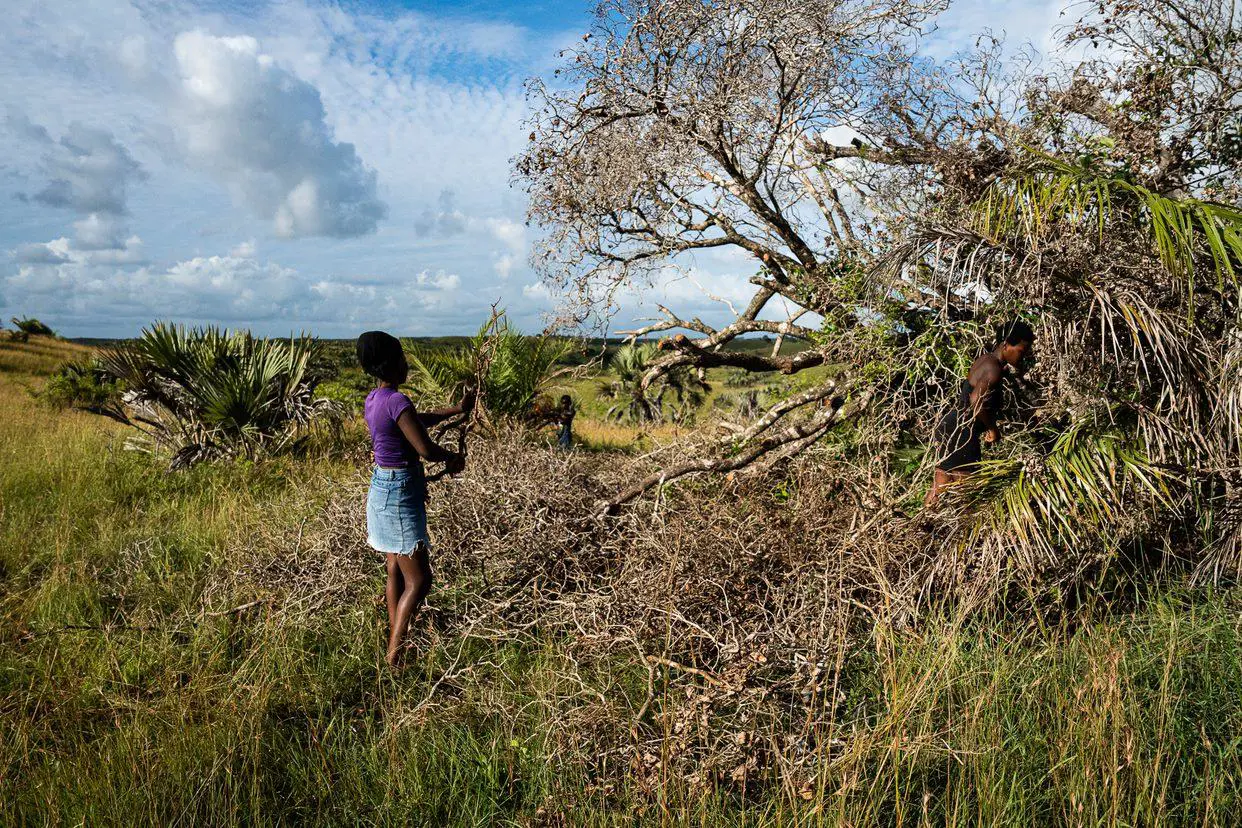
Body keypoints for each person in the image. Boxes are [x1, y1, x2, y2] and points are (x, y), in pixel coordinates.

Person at [356, 331, 472, 667]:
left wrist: (455, 410)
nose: (407, 363)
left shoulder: (375, 399)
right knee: (420, 580)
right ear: (392, 363)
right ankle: (395, 655)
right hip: (400, 492)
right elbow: (424, 447)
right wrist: (451, 457)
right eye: (403, 357)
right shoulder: (398, 401)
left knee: (394, 567)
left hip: (381, 487)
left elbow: (416, 421)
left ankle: (395, 642)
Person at [926, 319, 1035, 506]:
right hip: (962, 431)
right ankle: (961, 531)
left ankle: (925, 524)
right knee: (968, 493)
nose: (1022, 357)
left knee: (940, 485)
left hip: (951, 425)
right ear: (1006, 345)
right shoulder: (993, 369)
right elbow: (976, 401)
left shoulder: (986, 360)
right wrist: (993, 429)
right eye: (1021, 351)